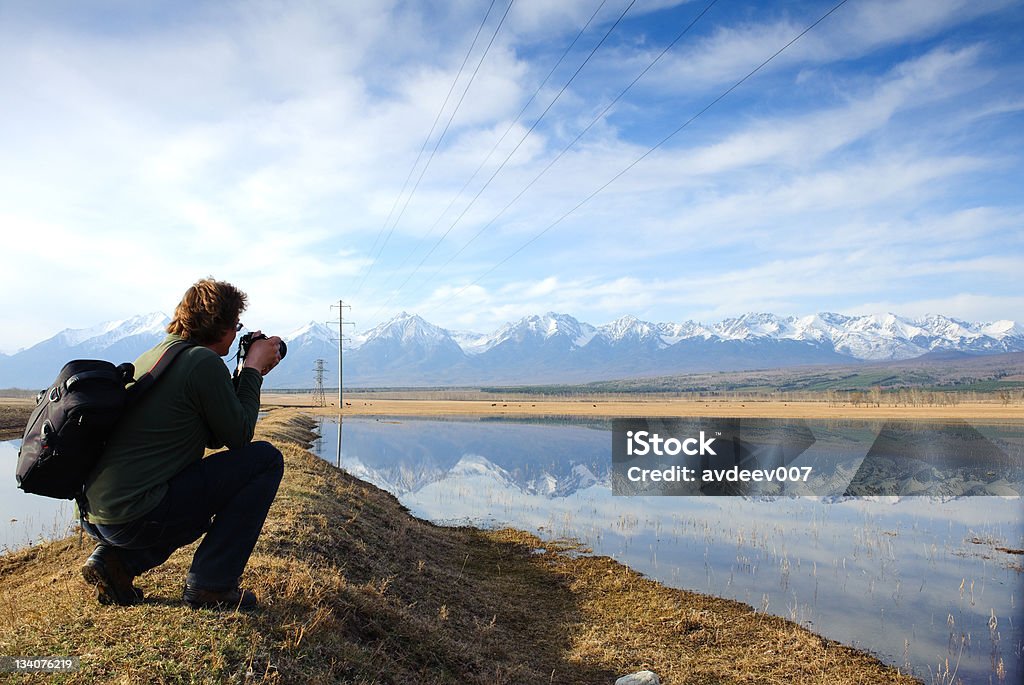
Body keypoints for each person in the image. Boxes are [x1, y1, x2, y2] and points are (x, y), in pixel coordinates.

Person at [79, 278, 284, 610]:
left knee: (191, 501)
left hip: (102, 516)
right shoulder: (201, 362)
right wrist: (252, 371)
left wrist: (241, 375)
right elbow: (240, 436)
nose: (235, 335)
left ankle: (115, 563)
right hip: (137, 515)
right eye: (235, 325)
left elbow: (217, 435)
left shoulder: (161, 354)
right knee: (265, 460)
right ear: (219, 326)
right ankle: (212, 587)